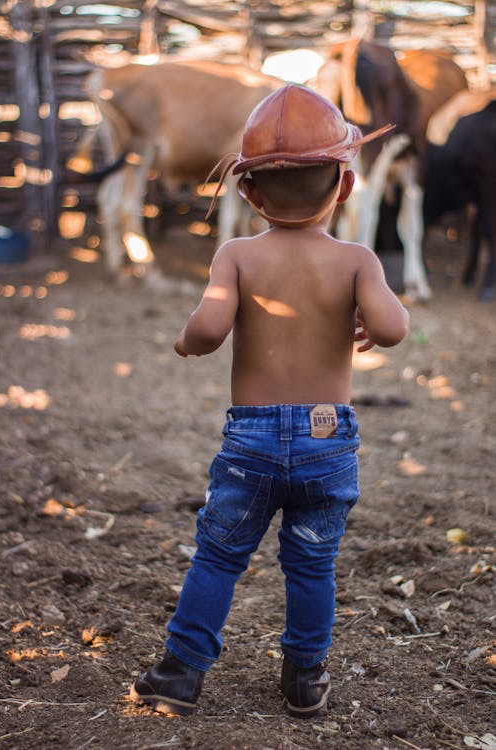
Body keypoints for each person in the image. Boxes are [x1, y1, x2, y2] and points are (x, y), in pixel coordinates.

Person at [130, 84, 409, 719]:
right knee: (312, 563)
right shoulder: (357, 260)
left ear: (249, 193)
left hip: (250, 444)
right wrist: (373, 311)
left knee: (221, 554)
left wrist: (184, 342)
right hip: (326, 440)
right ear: (343, 187)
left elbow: (206, 331)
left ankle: (179, 672)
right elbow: (392, 331)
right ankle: (305, 677)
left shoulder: (235, 256)